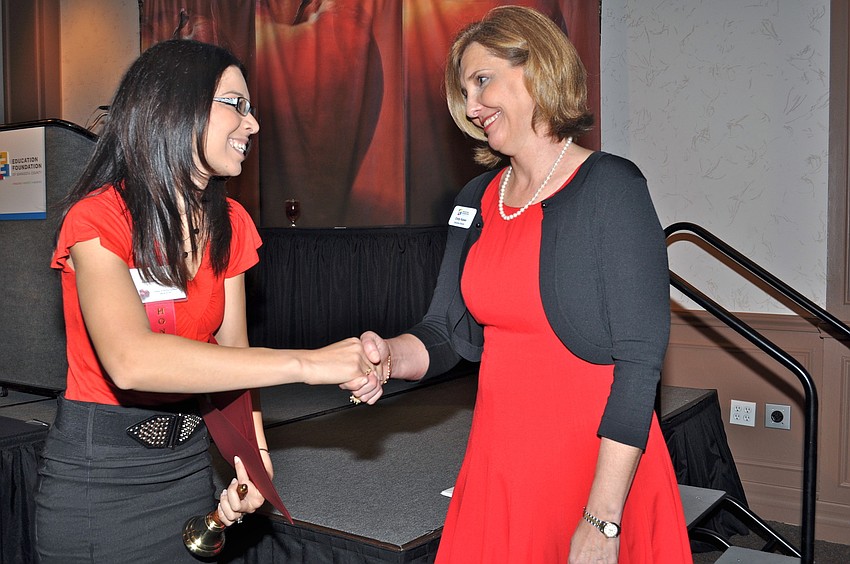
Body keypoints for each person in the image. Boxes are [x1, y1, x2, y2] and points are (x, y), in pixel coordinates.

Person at [350, 6, 693, 563]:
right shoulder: (474, 200)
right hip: (498, 466)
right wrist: (388, 356)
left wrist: (602, 520)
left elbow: (640, 363)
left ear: (538, 70)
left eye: (483, 80)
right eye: (465, 91)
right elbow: (447, 333)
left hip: (595, 473)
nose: (473, 105)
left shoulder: (611, 187)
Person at [34, 39, 375, 563]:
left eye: (252, 108)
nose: (253, 124)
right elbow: (131, 361)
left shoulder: (231, 223)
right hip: (100, 477)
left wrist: (252, 460)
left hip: (188, 465)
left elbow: (234, 357)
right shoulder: (99, 218)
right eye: (236, 105)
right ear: (176, 106)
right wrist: (308, 364)